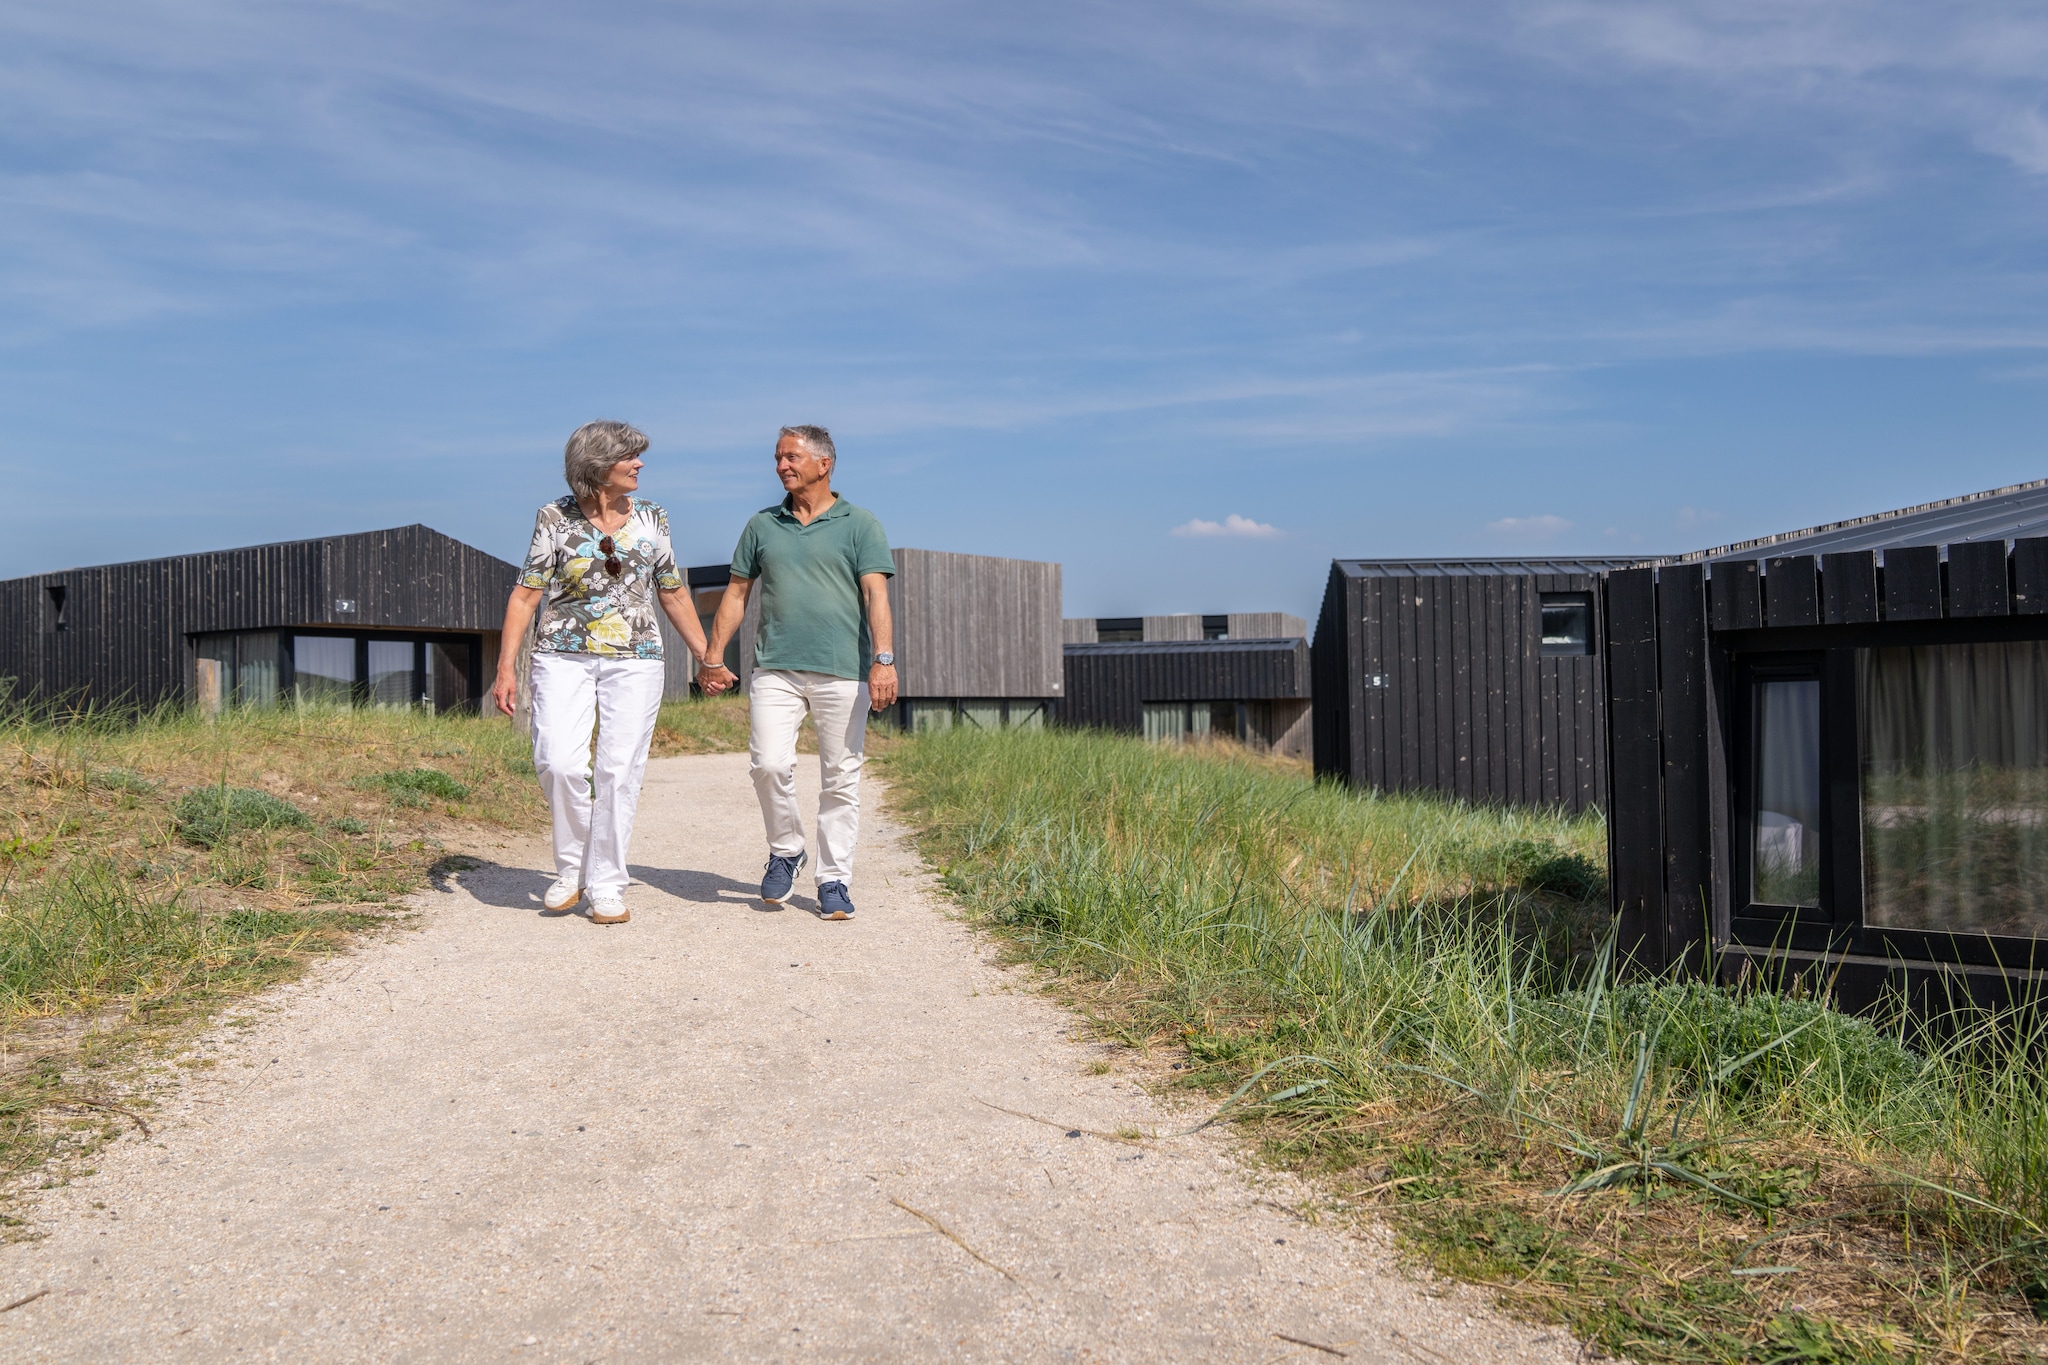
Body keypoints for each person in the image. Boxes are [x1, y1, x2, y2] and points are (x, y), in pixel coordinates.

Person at [491, 421, 709, 926]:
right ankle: (573, 868)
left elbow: (672, 590)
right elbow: (526, 593)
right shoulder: (555, 517)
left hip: (635, 658)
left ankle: (606, 882)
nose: (640, 465)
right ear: (597, 465)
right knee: (558, 762)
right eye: (630, 456)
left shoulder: (654, 517)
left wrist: (707, 656)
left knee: (618, 771)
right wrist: (506, 667)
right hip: (561, 654)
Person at [698, 425, 896, 921]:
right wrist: (713, 655)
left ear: (824, 464)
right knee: (767, 763)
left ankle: (834, 879)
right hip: (775, 667)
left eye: (792, 457)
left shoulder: (860, 524)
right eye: (778, 458)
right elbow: (737, 594)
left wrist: (884, 659)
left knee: (840, 779)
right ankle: (786, 849)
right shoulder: (763, 525)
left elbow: (876, 595)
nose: (782, 466)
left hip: (842, 671)